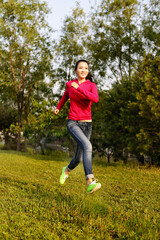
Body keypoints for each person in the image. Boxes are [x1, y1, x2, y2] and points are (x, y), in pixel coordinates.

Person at [54, 59, 101, 193]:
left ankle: (66, 170)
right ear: (76, 70)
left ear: (88, 71)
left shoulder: (91, 85)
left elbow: (95, 99)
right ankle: (89, 181)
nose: (83, 70)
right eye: (81, 68)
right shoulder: (70, 84)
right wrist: (58, 107)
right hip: (73, 122)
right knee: (88, 146)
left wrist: (79, 88)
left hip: (87, 124)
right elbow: (64, 97)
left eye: (86, 68)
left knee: (79, 158)